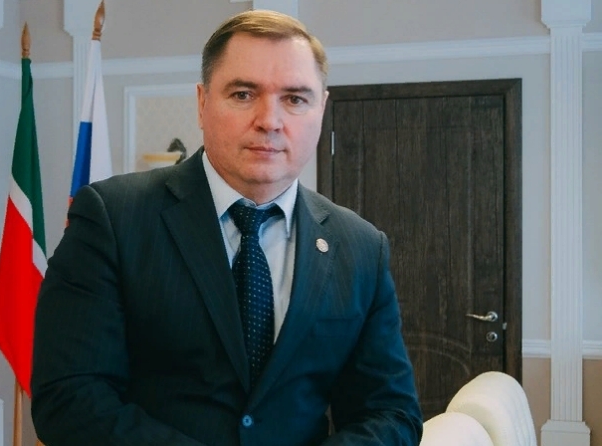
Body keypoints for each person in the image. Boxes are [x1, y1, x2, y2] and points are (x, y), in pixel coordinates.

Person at [31, 9, 422, 446]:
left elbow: (392, 413)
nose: (270, 120)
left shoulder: (361, 247)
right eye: (243, 94)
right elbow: (68, 399)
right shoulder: (112, 218)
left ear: (321, 109)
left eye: (295, 99)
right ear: (202, 103)